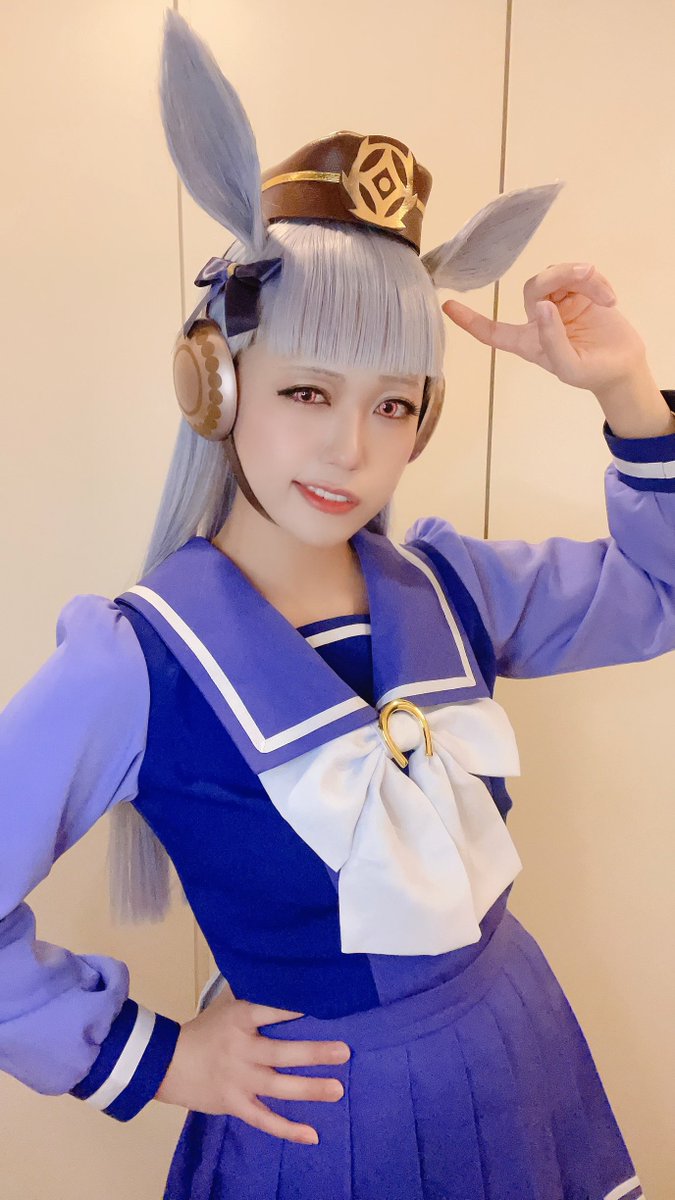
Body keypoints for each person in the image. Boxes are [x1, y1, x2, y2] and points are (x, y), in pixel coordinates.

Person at [1, 9, 673, 1198]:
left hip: (520, 1059)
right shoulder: (135, 663)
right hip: (322, 1128)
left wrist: (627, 392)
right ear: (216, 383)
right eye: (308, 390)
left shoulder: (456, 589)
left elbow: (657, 590)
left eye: (393, 404)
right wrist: (158, 1058)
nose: (352, 448)